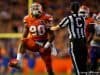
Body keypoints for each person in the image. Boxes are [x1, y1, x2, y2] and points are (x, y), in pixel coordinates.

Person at [9, 2, 55, 75]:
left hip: (44, 44)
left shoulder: (46, 18)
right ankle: (18, 62)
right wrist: (23, 43)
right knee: (23, 41)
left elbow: (52, 36)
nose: (35, 10)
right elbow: (24, 35)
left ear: (41, 10)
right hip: (33, 43)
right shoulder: (27, 18)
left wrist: (46, 47)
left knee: (49, 69)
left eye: (36, 8)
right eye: (34, 8)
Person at [51, 1, 88, 75]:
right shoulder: (83, 18)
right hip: (84, 42)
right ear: (78, 9)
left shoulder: (69, 18)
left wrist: (49, 27)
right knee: (83, 64)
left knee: (76, 64)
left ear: (71, 9)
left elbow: (57, 27)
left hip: (75, 42)